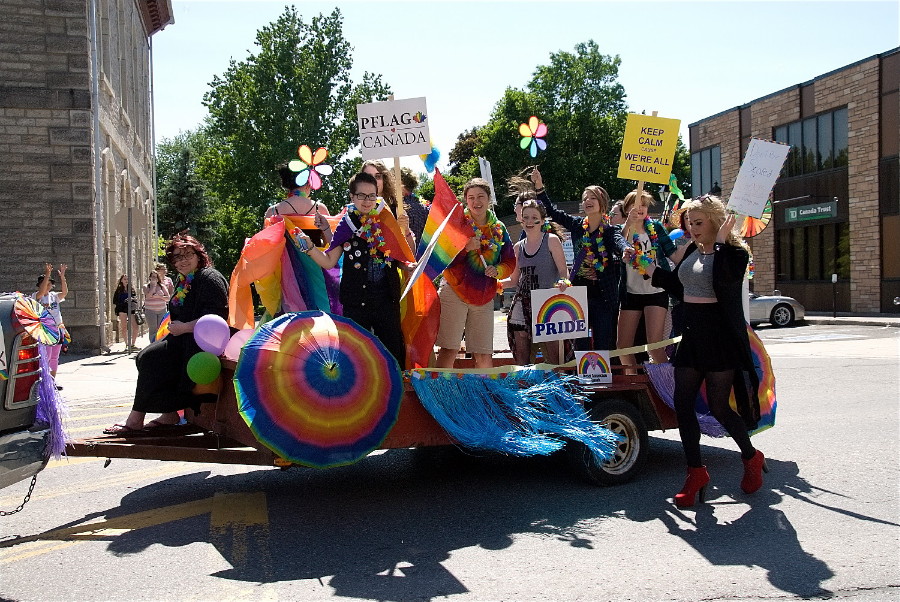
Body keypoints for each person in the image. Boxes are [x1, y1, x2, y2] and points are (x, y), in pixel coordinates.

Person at [646, 195, 765, 507]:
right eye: (689, 223)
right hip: (693, 335)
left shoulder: (735, 254)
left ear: (715, 221)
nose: (693, 229)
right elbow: (680, 287)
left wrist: (723, 243)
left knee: (718, 405)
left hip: (720, 337)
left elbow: (723, 282)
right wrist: (648, 268)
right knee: (682, 403)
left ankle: (751, 457)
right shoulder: (692, 252)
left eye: (698, 223)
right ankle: (695, 472)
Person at [104, 233, 229, 434]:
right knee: (145, 356)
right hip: (181, 339)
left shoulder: (209, 278)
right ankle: (170, 413)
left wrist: (185, 327)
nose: (182, 261)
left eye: (187, 255)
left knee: (151, 358)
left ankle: (136, 419)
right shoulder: (184, 280)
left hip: (199, 344)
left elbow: (217, 317)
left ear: (198, 254)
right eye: (177, 257)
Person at [298, 171, 415, 368]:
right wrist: (309, 248)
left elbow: (401, 256)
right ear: (352, 197)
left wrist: (407, 261)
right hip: (355, 301)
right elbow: (329, 261)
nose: (367, 201)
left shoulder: (386, 219)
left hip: (386, 298)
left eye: (371, 195)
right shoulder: (347, 223)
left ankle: (396, 395)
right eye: (361, 195)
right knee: (356, 357)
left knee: (393, 354)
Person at [530, 167, 627, 352]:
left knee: (602, 343)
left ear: (602, 203)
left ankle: (601, 381)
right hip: (579, 294)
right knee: (580, 344)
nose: (588, 201)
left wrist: (626, 249)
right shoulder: (576, 225)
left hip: (604, 296)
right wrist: (540, 187)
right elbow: (552, 211)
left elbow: (619, 241)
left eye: (592, 197)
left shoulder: (609, 231)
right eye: (585, 198)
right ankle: (580, 380)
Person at [435, 178, 515, 369]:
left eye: (480, 196)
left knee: (484, 353)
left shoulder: (499, 228)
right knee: (449, 349)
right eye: (471, 197)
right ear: (465, 201)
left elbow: (510, 261)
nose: (476, 201)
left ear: (489, 199)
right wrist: (465, 248)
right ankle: (440, 396)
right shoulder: (456, 224)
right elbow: (441, 258)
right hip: (455, 292)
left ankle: (484, 396)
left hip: (484, 296)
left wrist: (498, 270)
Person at [618, 189, 683, 366]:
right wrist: (628, 225)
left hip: (656, 291)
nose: (640, 209)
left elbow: (674, 256)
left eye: (644, 205)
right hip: (631, 293)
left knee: (654, 346)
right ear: (627, 208)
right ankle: (633, 384)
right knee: (623, 347)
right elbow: (618, 245)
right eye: (635, 204)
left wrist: (696, 242)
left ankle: (666, 387)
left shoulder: (656, 228)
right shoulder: (621, 231)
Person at [502, 200, 569, 365]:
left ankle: (556, 388)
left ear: (543, 220)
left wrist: (563, 282)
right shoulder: (518, 247)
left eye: (534, 217)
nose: (530, 221)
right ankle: (526, 388)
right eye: (526, 217)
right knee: (522, 359)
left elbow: (563, 271)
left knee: (555, 359)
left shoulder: (551, 240)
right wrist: (491, 283)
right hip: (522, 304)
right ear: (521, 220)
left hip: (548, 305)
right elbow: (513, 279)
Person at [265, 162, 332, 247]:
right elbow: (330, 243)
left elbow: (266, 246)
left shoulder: (273, 211)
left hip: (283, 260)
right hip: (315, 260)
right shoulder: (320, 209)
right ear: (308, 184)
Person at [362, 160, 415, 252]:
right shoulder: (353, 209)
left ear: (384, 180)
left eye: (377, 177)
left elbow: (410, 253)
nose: (373, 181)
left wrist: (405, 230)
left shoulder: (396, 210)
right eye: (368, 177)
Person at [33, 263, 68, 385]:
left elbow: (64, 292)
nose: (48, 285)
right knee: (46, 356)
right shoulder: (36, 296)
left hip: (57, 329)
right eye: (45, 283)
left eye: (49, 283)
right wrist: (47, 274)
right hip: (45, 330)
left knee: (54, 357)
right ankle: (45, 380)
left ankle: (52, 381)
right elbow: (42, 292)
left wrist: (62, 277)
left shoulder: (54, 296)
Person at [400, 166, 428, 245]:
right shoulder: (423, 206)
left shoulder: (400, 206)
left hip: (405, 253)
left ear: (400, 183)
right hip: (421, 254)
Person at [112, 274, 139, 350]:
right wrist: (123, 302)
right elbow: (115, 301)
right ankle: (127, 344)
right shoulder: (118, 290)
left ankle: (133, 344)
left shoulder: (132, 289)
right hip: (122, 309)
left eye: (127, 279)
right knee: (124, 327)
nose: (126, 280)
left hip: (131, 309)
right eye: (124, 279)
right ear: (121, 280)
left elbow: (135, 298)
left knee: (135, 326)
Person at [143, 269, 170, 342]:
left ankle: (160, 343)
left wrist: (159, 297)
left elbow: (168, 298)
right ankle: (152, 343)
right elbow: (148, 296)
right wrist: (153, 286)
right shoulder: (146, 286)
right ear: (150, 278)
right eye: (153, 277)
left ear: (158, 278)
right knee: (153, 329)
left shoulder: (162, 286)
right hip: (150, 311)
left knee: (161, 328)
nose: (154, 279)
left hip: (162, 310)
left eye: (156, 277)